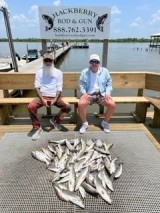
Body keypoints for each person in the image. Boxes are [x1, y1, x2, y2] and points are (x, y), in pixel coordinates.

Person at [28, 53, 71, 140]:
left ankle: (55, 121)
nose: (48, 62)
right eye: (46, 60)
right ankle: (37, 128)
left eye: (49, 60)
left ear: (53, 61)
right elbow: (36, 87)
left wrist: (55, 99)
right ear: (43, 61)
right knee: (31, 107)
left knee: (68, 107)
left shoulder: (58, 72)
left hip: (55, 95)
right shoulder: (39, 72)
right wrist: (42, 99)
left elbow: (59, 87)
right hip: (42, 95)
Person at [78, 54, 115, 134]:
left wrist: (108, 93)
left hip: (101, 93)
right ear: (89, 62)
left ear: (99, 63)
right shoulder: (84, 72)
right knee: (81, 104)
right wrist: (84, 92)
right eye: (92, 62)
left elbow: (109, 82)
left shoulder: (105, 71)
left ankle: (105, 122)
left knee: (112, 105)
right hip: (89, 93)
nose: (94, 64)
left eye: (96, 62)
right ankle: (84, 123)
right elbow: (81, 83)